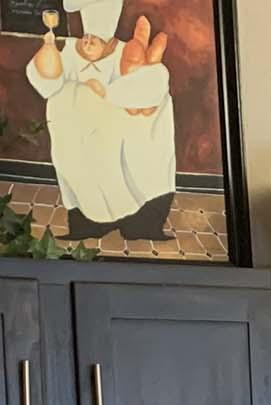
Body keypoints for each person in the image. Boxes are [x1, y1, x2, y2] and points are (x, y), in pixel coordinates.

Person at [27, 3, 177, 244]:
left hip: (123, 144)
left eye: (95, 40)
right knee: (82, 177)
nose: (87, 44)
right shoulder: (69, 53)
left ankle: (142, 224)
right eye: (86, 38)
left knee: (138, 177)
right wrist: (48, 51)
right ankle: (86, 224)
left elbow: (154, 84)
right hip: (81, 147)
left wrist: (110, 94)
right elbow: (48, 83)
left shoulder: (126, 54)